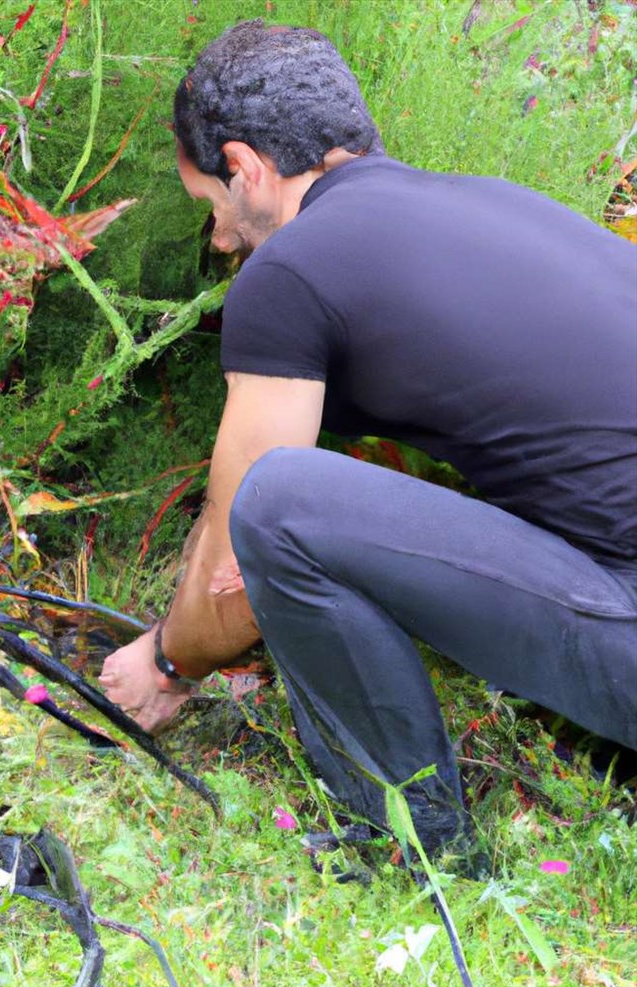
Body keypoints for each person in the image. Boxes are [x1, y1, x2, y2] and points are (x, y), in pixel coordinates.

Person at [98, 20, 637, 856]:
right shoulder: (496, 205)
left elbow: (247, 519)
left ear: (244, 169)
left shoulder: (293, 269)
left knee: (279, 501)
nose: (217, 238)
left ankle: (404, 838)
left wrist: (169, 662)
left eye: (209, 206)